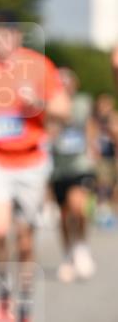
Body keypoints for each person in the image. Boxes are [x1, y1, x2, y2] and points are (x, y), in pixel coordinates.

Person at [0, 10, 69, 322]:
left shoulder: (39, 67)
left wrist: (36, 102)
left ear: (18, 37)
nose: (0, 41)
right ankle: (3, 299)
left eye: (6, 35)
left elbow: (62, 111)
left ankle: (25, 313)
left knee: (25, 242)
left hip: (30, 163)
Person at [50, 69, 97, 282]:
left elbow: (90, 126)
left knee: (78, 207)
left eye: (67, 82)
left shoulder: (83, 103)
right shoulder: (49, 105)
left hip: (80, 165)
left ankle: (81, 246)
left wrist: (92, 149)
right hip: (58, 168)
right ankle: (68, 254)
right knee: (63, 214)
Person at [89, 92, 118, 228]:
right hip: (99, 157)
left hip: (111, 156)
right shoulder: (94, 120)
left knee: (112, 186)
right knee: (101, 185)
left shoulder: (113, 118)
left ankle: (110, 211)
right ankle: (101, 210)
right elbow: (90, 137)